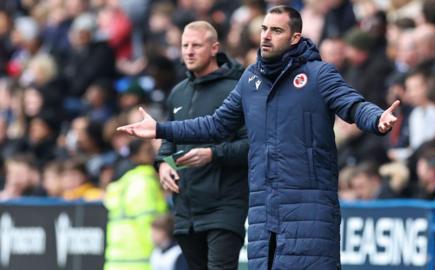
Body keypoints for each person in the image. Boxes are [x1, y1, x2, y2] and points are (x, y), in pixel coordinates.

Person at [117, 6, 399, 270]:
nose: (266, 35)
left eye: (276, 30)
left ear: (294, 37)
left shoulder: (318, 74)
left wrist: (376, 118)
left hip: (309, 205)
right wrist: (161, 129)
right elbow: (216, 125)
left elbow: (352, 105)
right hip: (264, 210)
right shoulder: (251, 79)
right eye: (264, 28)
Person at [155, 21, 249, 270]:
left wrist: (213, 154)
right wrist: (163, 165)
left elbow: (253, 145)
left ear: (214, 48)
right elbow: (168, 142)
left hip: (225, 208)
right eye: (185, 45)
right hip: (186, 212)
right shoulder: (178, 92)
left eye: (196, 45)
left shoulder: (237, 89)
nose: (189, 51)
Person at [104, 139, 168, 270]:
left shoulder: (122, 183)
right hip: (142, 263)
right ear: (135, 156)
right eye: (149, 151)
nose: (154, 154)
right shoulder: (144, 183)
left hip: (116, 263)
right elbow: (150, 224)